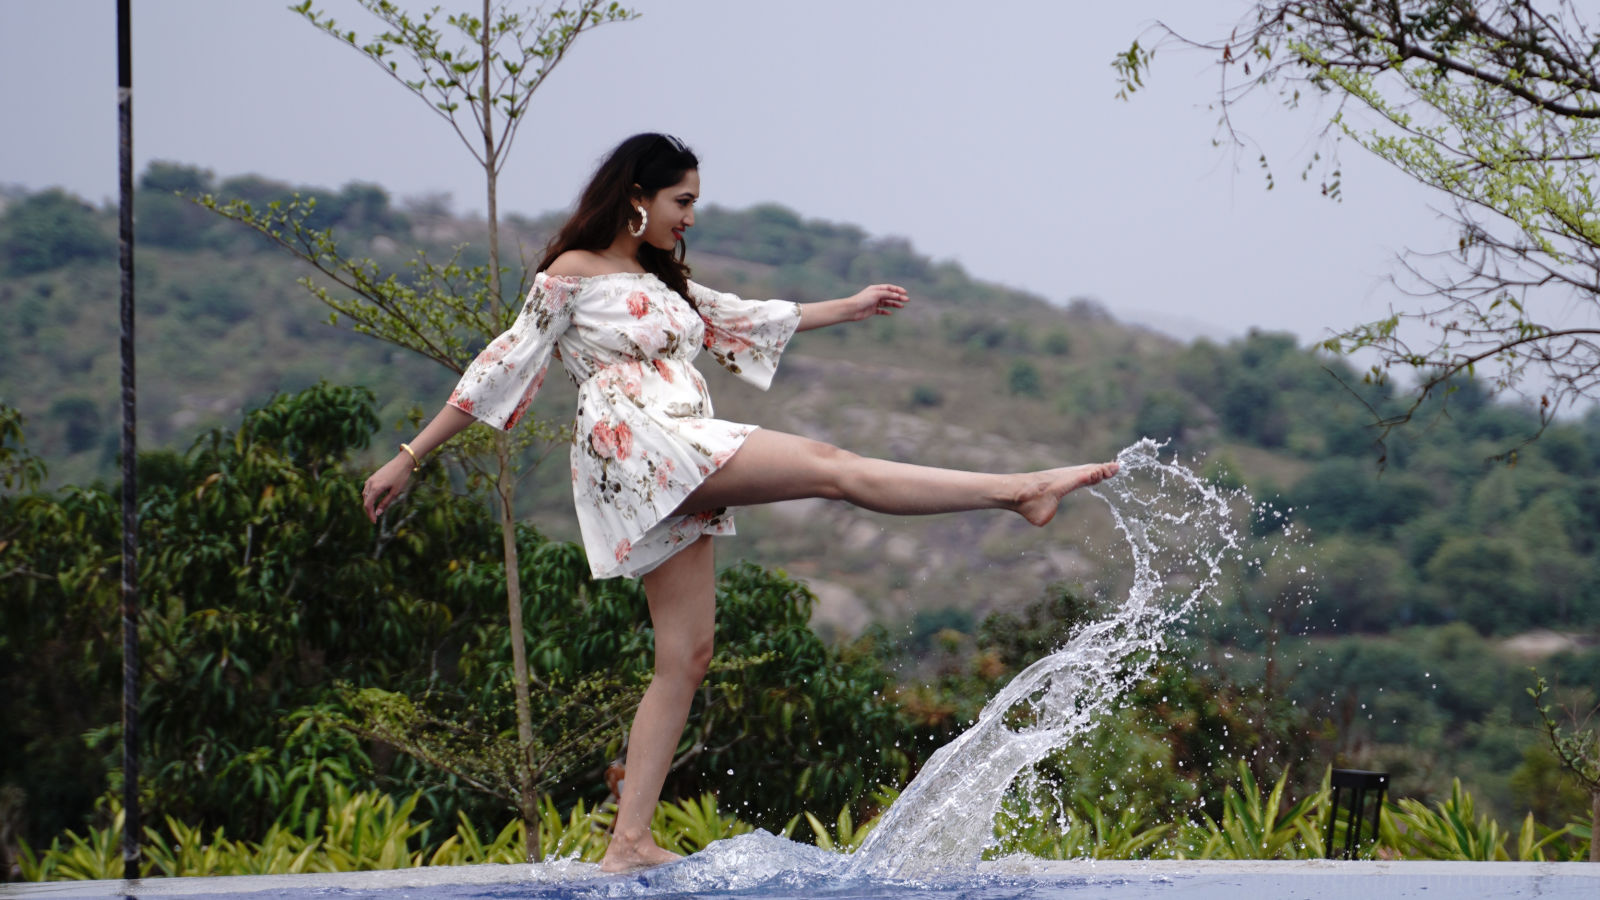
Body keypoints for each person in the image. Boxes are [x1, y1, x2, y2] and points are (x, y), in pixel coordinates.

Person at [360, 133, 1119, 872]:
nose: (691, 216)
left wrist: (849, 308)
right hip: (641, 441)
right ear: (636, 196)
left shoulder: (665, 282)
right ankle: (1019, 490)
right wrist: (409, 457)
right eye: (681, 200)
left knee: (685, 658)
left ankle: (627, 842)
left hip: (669, 442)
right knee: (832, 467)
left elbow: (743, 319)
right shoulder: (570, 272)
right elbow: (500, 365)